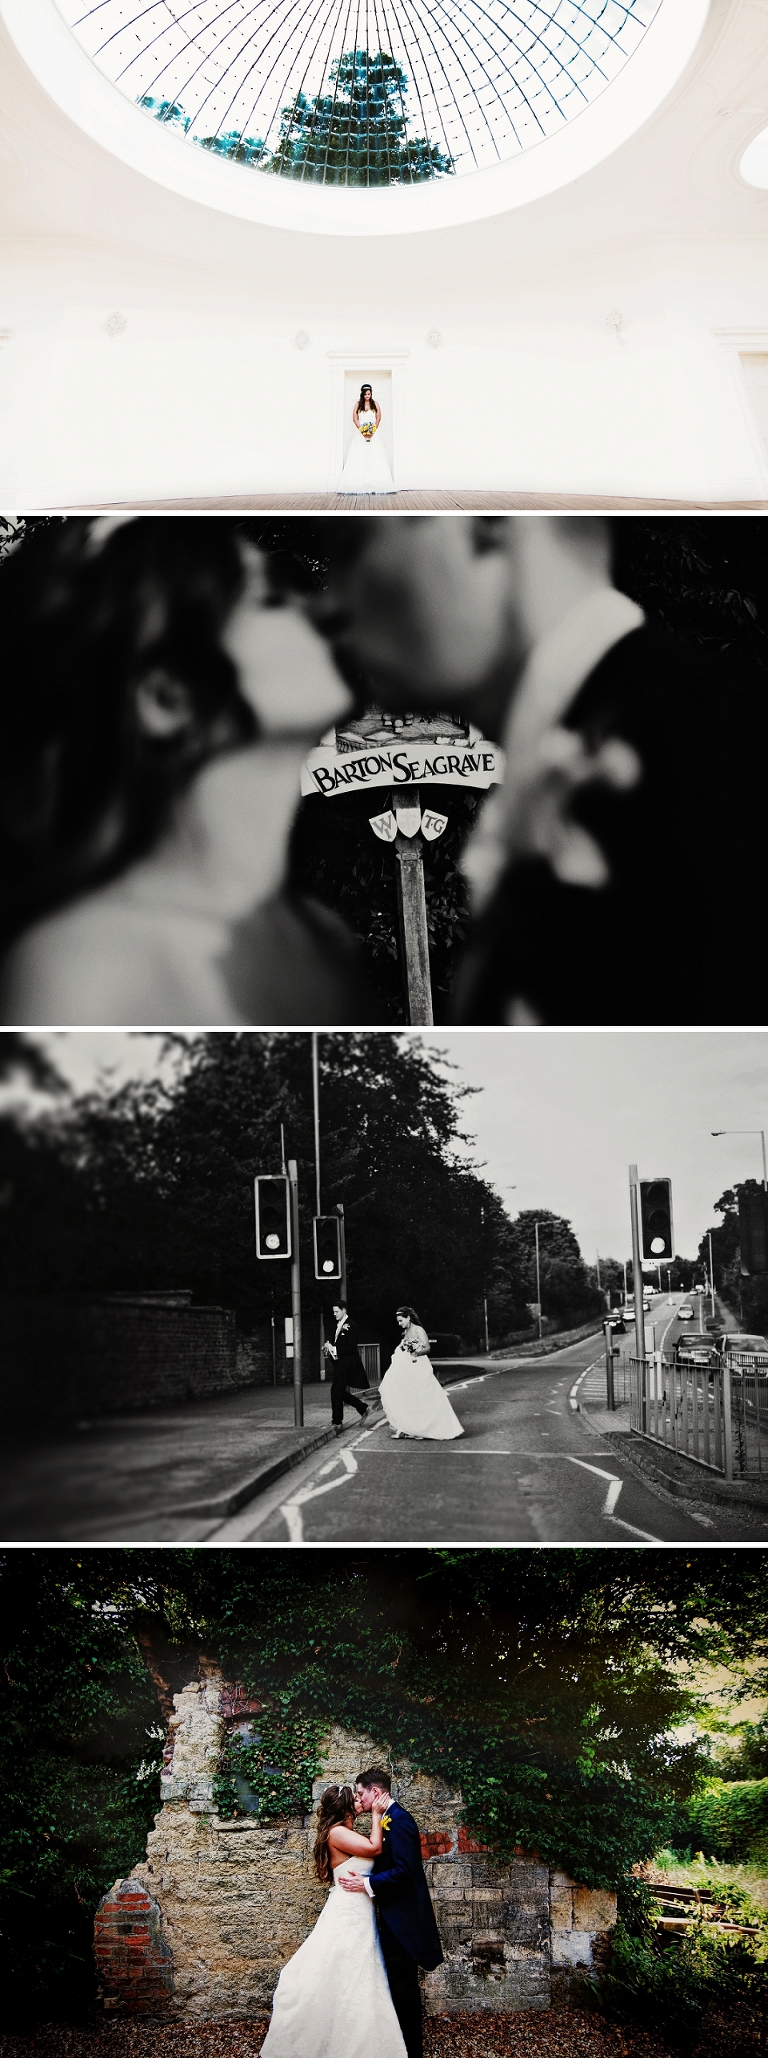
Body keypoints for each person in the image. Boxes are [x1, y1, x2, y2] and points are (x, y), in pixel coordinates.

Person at [308, 515, 768, 1026]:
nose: (332, 602)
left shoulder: (702, 760)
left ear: (487, 520)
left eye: (350, 545)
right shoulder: (656, 734)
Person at [0, 517, 374, 1026]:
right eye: (271, 600)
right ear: (166, 698)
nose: (324, 609)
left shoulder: (323, 938)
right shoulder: (80, 969)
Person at [261, 1782, 406, 2057]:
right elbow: (375, 1848)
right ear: (347, 1808)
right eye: (355, 1798)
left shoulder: (345, 1831)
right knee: (346, 1971)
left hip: (358, 1911)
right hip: (348, 1912)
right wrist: (376, 1814)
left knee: (356, 1972)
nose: (359, 1801)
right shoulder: (337, 1832)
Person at [338, 1766, 444, 2058]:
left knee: (404, 1988)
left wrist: (366, 1883)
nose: (358, 1798)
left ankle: (411, 2051)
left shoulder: (399, 1821)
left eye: (361, 1793)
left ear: (375, 1792)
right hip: (393, 1919)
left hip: (404, 1923)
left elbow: (405, 1873)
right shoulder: (386, 1820)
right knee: (397, 1986)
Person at [378, 1305, 464, 1440]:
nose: (399, 1324)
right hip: (406, 1367)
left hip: (419, 1366)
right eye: (398, 1321)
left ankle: (426, 1428)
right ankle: (409, 1427)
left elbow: (427, 1348)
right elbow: (402, 1348)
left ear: (408, 1318)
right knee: (407, 1396)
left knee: (422, 1396)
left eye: (401, 1320)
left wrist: (416, 1352)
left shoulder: (419, 1330)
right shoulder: (405, 1333)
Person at [324, 1301, 375, 1430]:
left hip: (347, 1363)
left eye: (337, 1311)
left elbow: (351, 1348)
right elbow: (337, 1343)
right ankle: (363, 1408)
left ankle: (337, 1421)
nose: (334, 1314)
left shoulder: (351, 1325)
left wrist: (334, 1349)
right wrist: (328, 1347)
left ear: (344, 1310)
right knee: (339, 1391)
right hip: (340, 1363)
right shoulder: (339, 1325)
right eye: (334, 1312)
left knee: (335, 1390)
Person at [338, 382, 394, 496]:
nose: (367, 396)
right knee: (360, 455)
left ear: (371, 394)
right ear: (362, 394)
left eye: (369, 394)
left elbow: (378, 418)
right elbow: (355, 418)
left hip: (373, 434)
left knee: (374, 455)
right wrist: (362, 431)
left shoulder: (376, 404)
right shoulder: (358, 404)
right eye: (365, 394)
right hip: (360, 434)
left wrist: (372, 431)